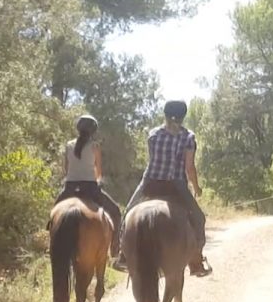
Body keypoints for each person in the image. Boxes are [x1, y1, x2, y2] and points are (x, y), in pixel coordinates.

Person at [112, 101, 212, 276]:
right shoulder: (188, 137)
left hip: (150, 182)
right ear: (183, 116)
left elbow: (153, 160)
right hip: (176, 185)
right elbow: (189, 167)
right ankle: (196, 260)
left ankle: (123, 255)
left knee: (128, 213)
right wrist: (197, 187)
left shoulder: (153, 134)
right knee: (198, 218)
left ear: (165, 115)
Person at [50, 115, 122, 257]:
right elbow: (99, 171)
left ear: (78, 128)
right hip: (90, 188)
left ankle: (51, 243)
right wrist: (98, 179)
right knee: (116, 212)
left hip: (70, 187)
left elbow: (66, 168)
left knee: (52, 215)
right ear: (93, 131)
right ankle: (115, 249)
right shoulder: (95, 146)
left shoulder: (69, 145)